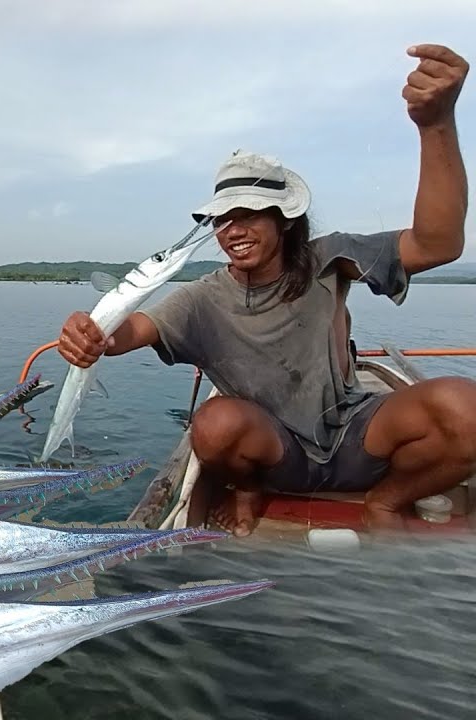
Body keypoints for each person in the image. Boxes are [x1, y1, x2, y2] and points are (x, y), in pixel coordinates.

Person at [56, 43, 476, 537]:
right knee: (213, 425)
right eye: (222, 219)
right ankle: (249, 490)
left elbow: (438, 244)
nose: (233, 230)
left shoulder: (329, 258)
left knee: (464, 408)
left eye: (249, 213)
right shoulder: (202, 297)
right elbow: (130, 331)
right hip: (273, 451)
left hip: (356, 434)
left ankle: (385, 501)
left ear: (284, 218)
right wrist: (92, 334)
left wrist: (436, 124)